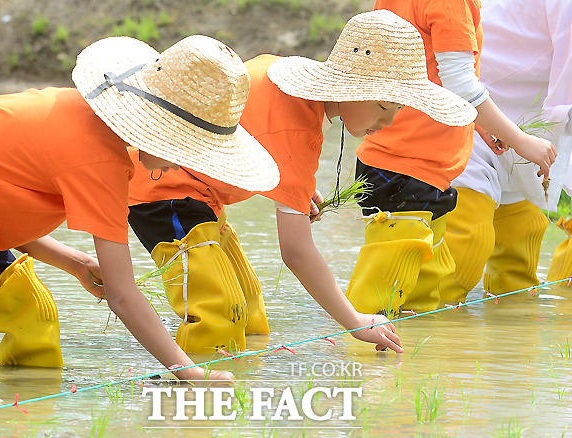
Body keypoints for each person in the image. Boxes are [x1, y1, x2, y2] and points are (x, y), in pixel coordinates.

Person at [0, 34, 281, 391]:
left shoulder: (88, 126)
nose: (181, 166)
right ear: (161, 131)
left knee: (31, 313)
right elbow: (122, 295)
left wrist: (75, 263)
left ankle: (16, 420)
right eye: (189, 150)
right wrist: (191, 374)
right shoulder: (101, 161)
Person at [126, 10, 477, 355]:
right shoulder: (297, 126)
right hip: (162, 190)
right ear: (350, 88)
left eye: (397, 111)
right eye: (383, 106)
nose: (388, 122)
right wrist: (353, 320)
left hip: (202, 199)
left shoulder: (291, 91)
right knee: (217, 315)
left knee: (249, 319)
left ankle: (237, 396)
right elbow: (296, 251)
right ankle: (189, 399)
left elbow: (251, 131)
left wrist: (297, 185)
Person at [345, 0, 557, 317]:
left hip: (406, 160)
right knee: (380, 299)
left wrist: (481, 123)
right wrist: (521, 140)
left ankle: (415, 366)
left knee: (419, 299)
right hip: (410, 165)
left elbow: (424, 71)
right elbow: (458, 81)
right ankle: (354, 361)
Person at [436, 0, 572, 301]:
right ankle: (408, 334)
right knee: (464, 251)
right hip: (477, 116)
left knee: (518, 275)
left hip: (535, 139)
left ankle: (521, 341)